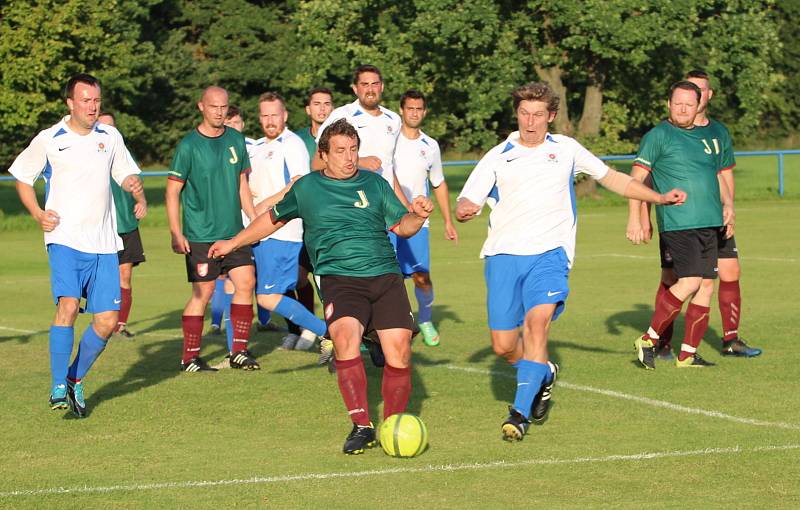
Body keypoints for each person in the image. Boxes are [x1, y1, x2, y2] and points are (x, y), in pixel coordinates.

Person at [455, 82, 685, 441]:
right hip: (502, 256)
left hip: (550, 254)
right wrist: (465, 209)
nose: (530, 122)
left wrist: (657, 197)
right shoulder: (497, 155)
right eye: (523, 114)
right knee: (503, 345)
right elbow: (466, 199)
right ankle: (542, 372)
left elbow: (614, 180)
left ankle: (518, 413)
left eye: (537, 115)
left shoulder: (566, 149)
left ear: (551, 116)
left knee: (536, 325)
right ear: (516, 115)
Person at [209, 119, 434, 454]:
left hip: (384, 276)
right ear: (324, 155)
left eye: (353, 150)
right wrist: (234, 243)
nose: (349, 157)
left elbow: (402, 227)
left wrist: (416, 214)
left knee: (399, 351)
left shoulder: (375, 184)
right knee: (344, 340)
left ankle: (393, 423)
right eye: (340, 151)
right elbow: (270, 220)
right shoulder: (308, 188)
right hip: (339, 279)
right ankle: (361, 426)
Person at [9, 73, 144, 417]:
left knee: (107, 321)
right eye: (85, 100)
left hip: (103, 243)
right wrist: (38, 213)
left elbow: (124, 172)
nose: (92, 106)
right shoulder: (50, 138)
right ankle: (57, 385)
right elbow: (23, 178)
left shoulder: (110, 136)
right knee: (68, 305)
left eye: (96, 100)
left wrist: (132, 185)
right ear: (70, 103)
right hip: (65, 238)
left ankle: (74, 378)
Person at [630, 69, 762, 360]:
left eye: (693, 98)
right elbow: (641, 179)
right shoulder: (660, 135)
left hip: (713, 219)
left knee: (711, 281)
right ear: (670, 102)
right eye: (680, 101)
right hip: (680, 221)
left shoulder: (713, 133)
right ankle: (655, 340)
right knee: (680, 278)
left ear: (705, 96)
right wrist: (640, 216)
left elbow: (720, 175)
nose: (686, 106)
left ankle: (698, 350)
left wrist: (729, 205)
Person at [166, 86, 260, 372]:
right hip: (200, 235)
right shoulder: (188, 146)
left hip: (234, 233)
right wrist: (175, 231)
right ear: (201, 107)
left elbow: (242, 184)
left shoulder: (235, 139)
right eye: (213, 107)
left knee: (246, 283)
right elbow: (172, 192)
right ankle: (189, 357)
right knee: (203, 295)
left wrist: (255, 220)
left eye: (223, 107)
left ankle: (239, 352)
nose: (219, 112)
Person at [246, 92, 327, 350]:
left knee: (268, 296)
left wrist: (263, 204)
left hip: (282, 231)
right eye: (265, 115)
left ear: (285, 116)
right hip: (260, 233)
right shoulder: (257, 147)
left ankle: (327, 333)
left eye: (275, 115)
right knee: (273, 291)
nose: (270, 120)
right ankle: (304, 332)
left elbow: (297, 183)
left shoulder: (291, 144)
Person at [393, 89, 458, 346]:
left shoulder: (430, 146)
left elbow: (439, 183)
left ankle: (426, 319)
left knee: (422, 276)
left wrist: (449, 221)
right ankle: (389, 324)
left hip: (419, 222)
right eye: (410, 108)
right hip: (389, 220)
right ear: (401, 110)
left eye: (419, 109)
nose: (414, 113)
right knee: (389, 277)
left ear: (425, 111)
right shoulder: (391, 141)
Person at [314, 65, 407, 205]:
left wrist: (405, 205)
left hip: (384, 204)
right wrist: (359, 161)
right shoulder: (342, 115)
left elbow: (389, 166)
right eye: (364, 84)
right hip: (352, 204)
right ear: (355, 88)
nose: (370, 90)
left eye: (375, 84)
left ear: (382, 87)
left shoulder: (394, 119)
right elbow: (317, 163)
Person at [96, 112, 148, 339]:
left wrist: (142, 200)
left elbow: (135, 181)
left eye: (111, 126)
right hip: (99, 226)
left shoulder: (123, 153)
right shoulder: (90, 154)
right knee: (103, 278)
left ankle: (120, 325)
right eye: (103, 126)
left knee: (124, 276)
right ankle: (103, 320)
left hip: (125, 224)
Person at [296, 87, 334, 167]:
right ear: (308, 110)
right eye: (317, 104)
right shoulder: (297, 139)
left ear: (332, 109)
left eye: (327, 104)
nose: (322, 108)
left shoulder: (342, 138)